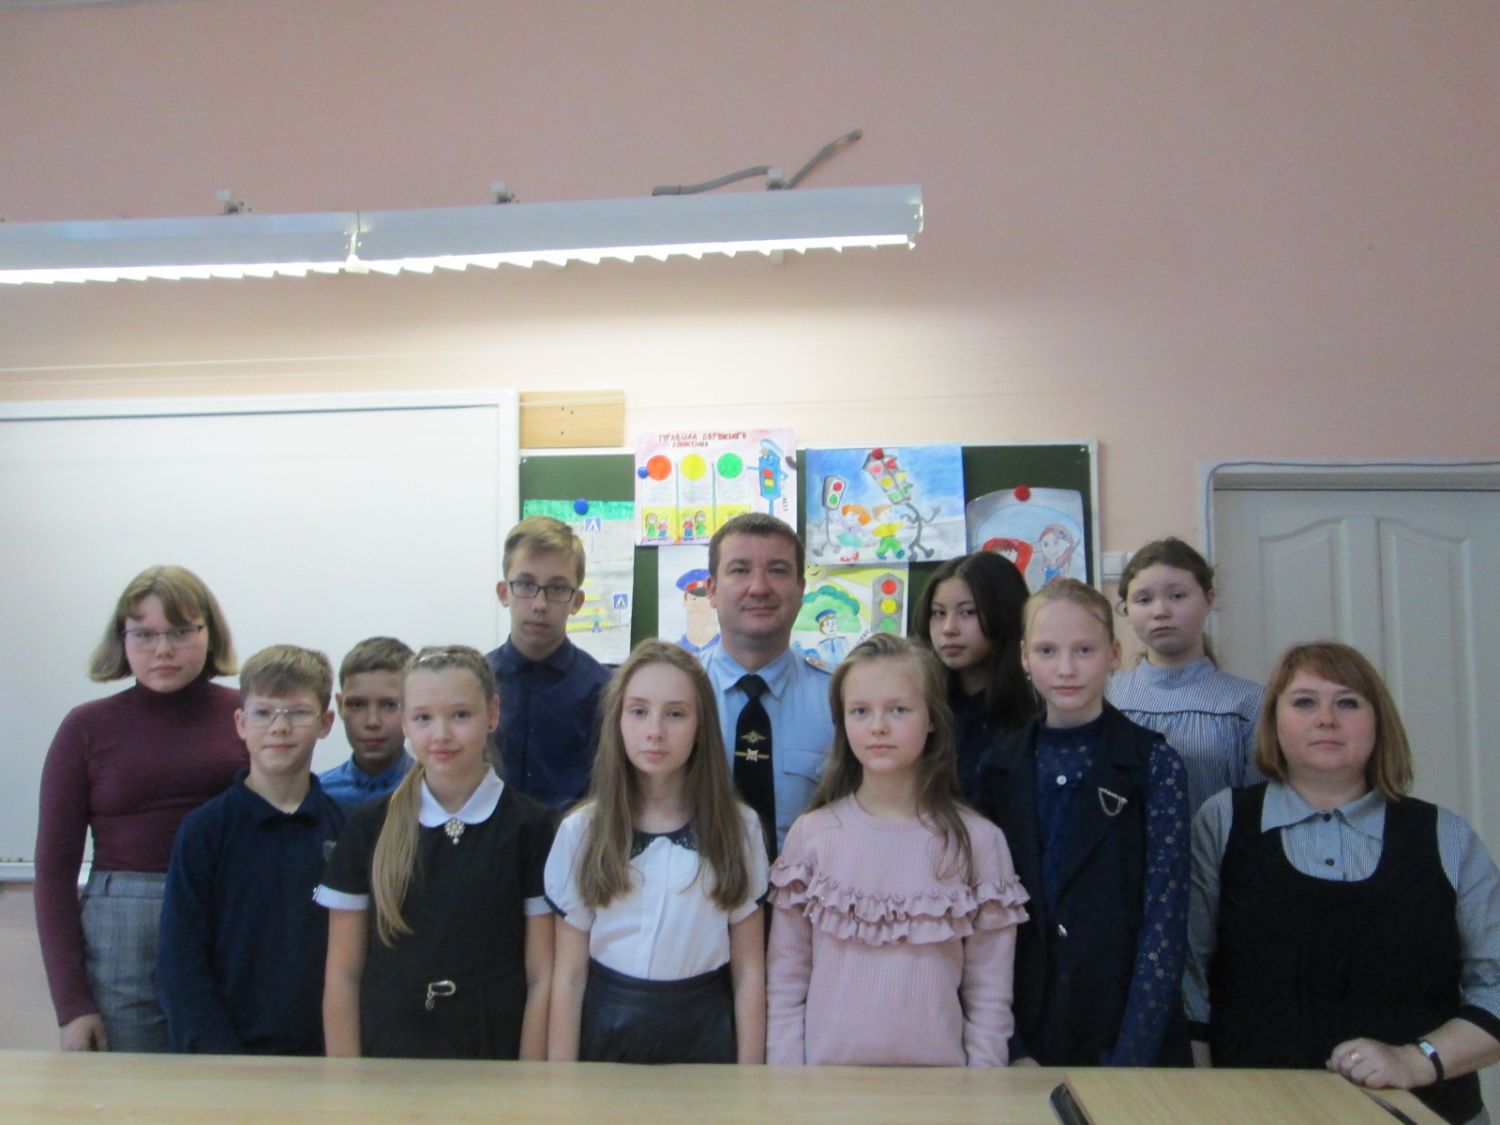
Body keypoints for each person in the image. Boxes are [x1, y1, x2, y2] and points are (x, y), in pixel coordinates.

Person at [1186, 642, 1500, 1124]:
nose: (1326, 719)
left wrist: (1415, 1061)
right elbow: (1189, 981)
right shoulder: (1223, 822)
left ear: (1379, 722)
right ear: (1273, 721)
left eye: (1348, 702)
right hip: (1257, 1113)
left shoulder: (1446, 836)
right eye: (1304, 702)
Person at [765, 634, 1028, 1066]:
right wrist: (788, 1083)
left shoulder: (979, 841)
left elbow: (990, 995)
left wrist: (982, 1086)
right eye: (860, 711)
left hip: (942, 1090)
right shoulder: (812, 835)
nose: (878, 727)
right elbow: (786, 982)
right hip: (824, 1089)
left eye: (899, 709)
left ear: (932, 718)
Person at [35, 565, 246, 1053]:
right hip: (123, 927)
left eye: (181, 631)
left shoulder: (247, 715)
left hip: (227, 913)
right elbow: (53, 874)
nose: (163, 649)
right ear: (122, 640)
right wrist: (73, 1005)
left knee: (228, 1080)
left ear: (209, 633)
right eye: (145, 634)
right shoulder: (86, 727)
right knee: (130, 1083)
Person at [979, 578, 1189, 1067]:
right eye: (1047, 651)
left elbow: (1165, 921)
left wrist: (1132, 1056)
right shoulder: (998, 767)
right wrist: (1009, 1045)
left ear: (1114, 654)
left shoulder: (1153, 764)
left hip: (1124, 1021)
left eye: (1084, 650)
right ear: (1025, 657)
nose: (1066, 669)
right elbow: (984, 915)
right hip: (1023, 1022)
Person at [318, 646, 555, 1059]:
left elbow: (542, 976)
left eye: (460, 715)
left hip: (494, 1056)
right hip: (389, 1057)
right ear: (405, 722)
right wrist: (345, 1079)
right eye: (423, 717)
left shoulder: (532, 827)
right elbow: (343, 974)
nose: (441, 734)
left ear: (492, 714)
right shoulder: (369, 825)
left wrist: (530, 1079)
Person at [545, 640, 768, 1064]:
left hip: (706, 1033)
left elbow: (749, 972)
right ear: (618, 719)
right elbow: (569, 976)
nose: (655, 732)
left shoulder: (739, 828)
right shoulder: (582, 831)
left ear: (701, 724)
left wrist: (750, 1079)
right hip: (607, 1032)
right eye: (639, 711)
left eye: (676, 714)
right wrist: (561, 1083)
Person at [157, 644, 344, 1054]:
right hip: (225, 1060)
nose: (280, 727)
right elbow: (180, 963)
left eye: (297, 712)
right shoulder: (204, 831)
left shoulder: (347, 830)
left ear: (326, 722)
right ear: (241, 723)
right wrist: (221, 1060)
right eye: (263, 713)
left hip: (326, 1055)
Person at [699, 513, 835, 855]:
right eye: (740, 570)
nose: (759, 588)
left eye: (777, 570)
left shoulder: (841, 699)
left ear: (801, 589)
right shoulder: (674, 694)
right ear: (711, 590)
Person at [1108, 538, 1264, 816]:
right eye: (1144, 599)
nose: (1160, 611)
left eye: (1177, 596)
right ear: (1127, 609)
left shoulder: (1249, 703)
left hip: (1221, 844)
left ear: (1209, 600)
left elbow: (1260, 809)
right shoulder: (1106, 697)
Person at [486, 516, 611, 807]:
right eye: (525, 584)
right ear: (504, 593)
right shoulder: (476, 685)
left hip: (574, 833)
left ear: (577, 601)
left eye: (557, 588)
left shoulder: (604, 691)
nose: (539, 605)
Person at [912, 551, 1034, 803]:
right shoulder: (921, 704)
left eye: (967, 612)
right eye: (939, 613)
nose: (949, 629)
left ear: (1003, 613)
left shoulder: (1035, 711)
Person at [320, 637, 415, 811]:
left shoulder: (435, 793)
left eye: (389, 705)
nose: (372, 722)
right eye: (357, 705)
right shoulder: (318, 796)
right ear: (340, 706)